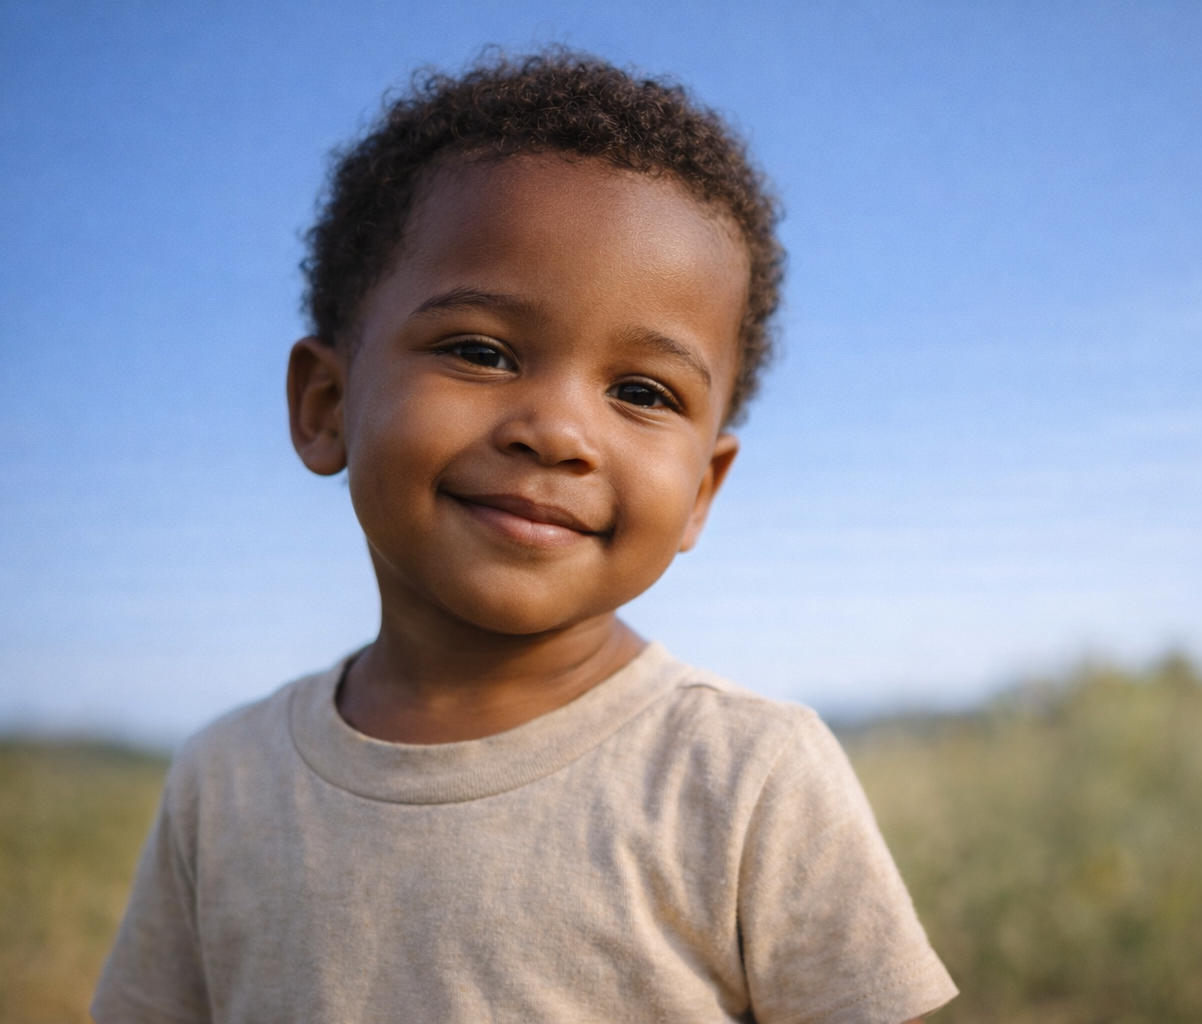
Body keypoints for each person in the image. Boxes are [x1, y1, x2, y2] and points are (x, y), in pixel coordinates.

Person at [92, 49, 958, 1024]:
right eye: (481, 351)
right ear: (327, 405)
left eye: (641, 392)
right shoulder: (226, 778)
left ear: (704, 490)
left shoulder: (748, 775)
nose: (556, 431)